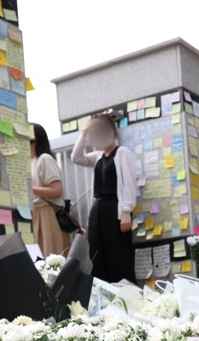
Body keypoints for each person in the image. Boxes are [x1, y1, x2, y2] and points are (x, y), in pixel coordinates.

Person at [72, 114, 138, 283]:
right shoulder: (97, 156)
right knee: (97, 255)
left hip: (115, 211)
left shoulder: (122, 152)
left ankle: (127, 295)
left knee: (119, 255)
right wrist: (85, 132)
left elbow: (129, 183)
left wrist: (126, 211)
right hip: (97, 212)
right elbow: (76, 157)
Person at [30, 123, 71, 258]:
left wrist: (30, 189)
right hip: (35, 214)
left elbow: (57, 190)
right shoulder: (31, 161)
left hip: (47, 214)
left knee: (50, 258)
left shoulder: (44, 159)